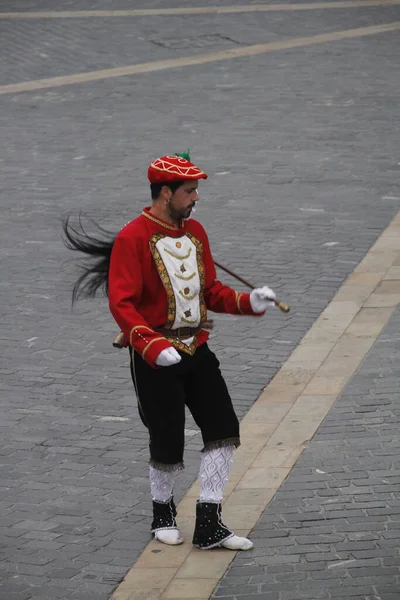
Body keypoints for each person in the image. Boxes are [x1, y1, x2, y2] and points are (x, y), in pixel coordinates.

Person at [63, 152, 276, 551]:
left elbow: (210, 289)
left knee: (223, 430)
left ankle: (209, 524)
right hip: (156, 354)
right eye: (189, 191)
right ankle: (162, 513)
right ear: (166, 192)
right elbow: (121, 303)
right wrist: (150, 344)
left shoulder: (195, 232)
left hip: (198, 347)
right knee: (166, 438)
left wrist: (250, 302)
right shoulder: (132, 237)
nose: (195, 198)